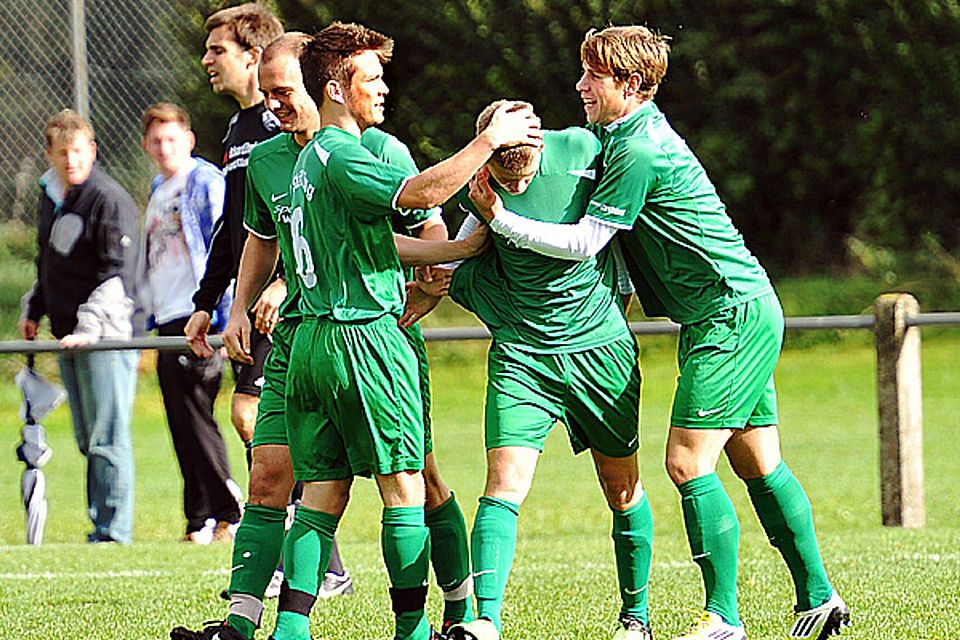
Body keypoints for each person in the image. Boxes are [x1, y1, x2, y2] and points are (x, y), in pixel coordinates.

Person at [468, 25, 850, 640]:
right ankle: (820, 597)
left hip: (730, 313)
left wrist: (500, 219)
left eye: (593, 75)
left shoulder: (638, 149)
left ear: (631, 84)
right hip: (726, 312)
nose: (580, 85)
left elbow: (585, 242)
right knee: (759, 463)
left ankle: (724, 618)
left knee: (685, 463)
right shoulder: (612, 138)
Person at [169, 32, 487, 640]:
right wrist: (236, 306)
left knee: (420, 478)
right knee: (274, 476)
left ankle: (460, 606)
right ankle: (247, 624)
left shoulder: (376, 149)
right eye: (266, 97)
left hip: (371, 330)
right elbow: (262, 236)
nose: (273, 107)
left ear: (320, 88)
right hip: (304, 340)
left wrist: (436, 270)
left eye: (283, 93)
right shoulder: (266, 157)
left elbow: (418, 217)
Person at [264, 22, 540, 640]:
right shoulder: (344, 153)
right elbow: (416, 191)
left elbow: (368, 242)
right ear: (336, 87)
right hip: (362, 336)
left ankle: (289, 632)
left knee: (321, 498)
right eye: (372, 78)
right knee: (406, 487)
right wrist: (488, 142)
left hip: (309, 341)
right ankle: (415, 632)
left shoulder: (310, 160)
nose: (385, 89)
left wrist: (462, 249)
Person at [401, 100, 653, 640]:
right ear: (486, 162)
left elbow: (609, 240)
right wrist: (426, 288)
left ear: (540, 145)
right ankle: (484, 621)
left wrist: (613, 311)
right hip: (523, 358)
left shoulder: (587, 151)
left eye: (525, 174)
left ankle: (636, 620)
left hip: (601, 355)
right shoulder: (481, 183)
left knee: (622, 489)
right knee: (503, 484)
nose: (514, 184)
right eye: (502, 177)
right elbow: (459, 249)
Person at [19, 109, 139, 544]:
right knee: (88, 438)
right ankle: (99, 525)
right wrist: (34, 308)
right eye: (61, 153)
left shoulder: (107, 199)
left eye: (78, 151)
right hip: (69, 337)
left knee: (109, 437)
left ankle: (114, 531)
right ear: (50, 154)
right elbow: (47, 261)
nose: (70, 160)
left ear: (92, 150)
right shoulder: (54, 197)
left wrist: (90, 327)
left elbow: (116, 274)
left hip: (105, 337)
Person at [183, 3, 284, 467]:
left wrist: (285, 283)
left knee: (252, 412)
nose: (207, 61)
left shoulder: (282, 122)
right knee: (256, 418)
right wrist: (206, 302)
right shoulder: (237, 127)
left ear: (252, 56)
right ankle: (287, 520)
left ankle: (293, 515)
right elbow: (233, 223)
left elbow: (302, 212)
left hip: (287, 299)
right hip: (250, 297)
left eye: (216, 50)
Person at [139, 102, 243, 544]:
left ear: (189, 138)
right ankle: (198, 516)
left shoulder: (203, 181)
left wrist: (220, 313)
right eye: (157, 140)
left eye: (172, 138)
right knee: (180, 418)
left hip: (198, 312)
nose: (164, 148)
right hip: (167, 314)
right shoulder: (158, 187)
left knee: (199, 414)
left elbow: (226, 245)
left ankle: (227, 509)